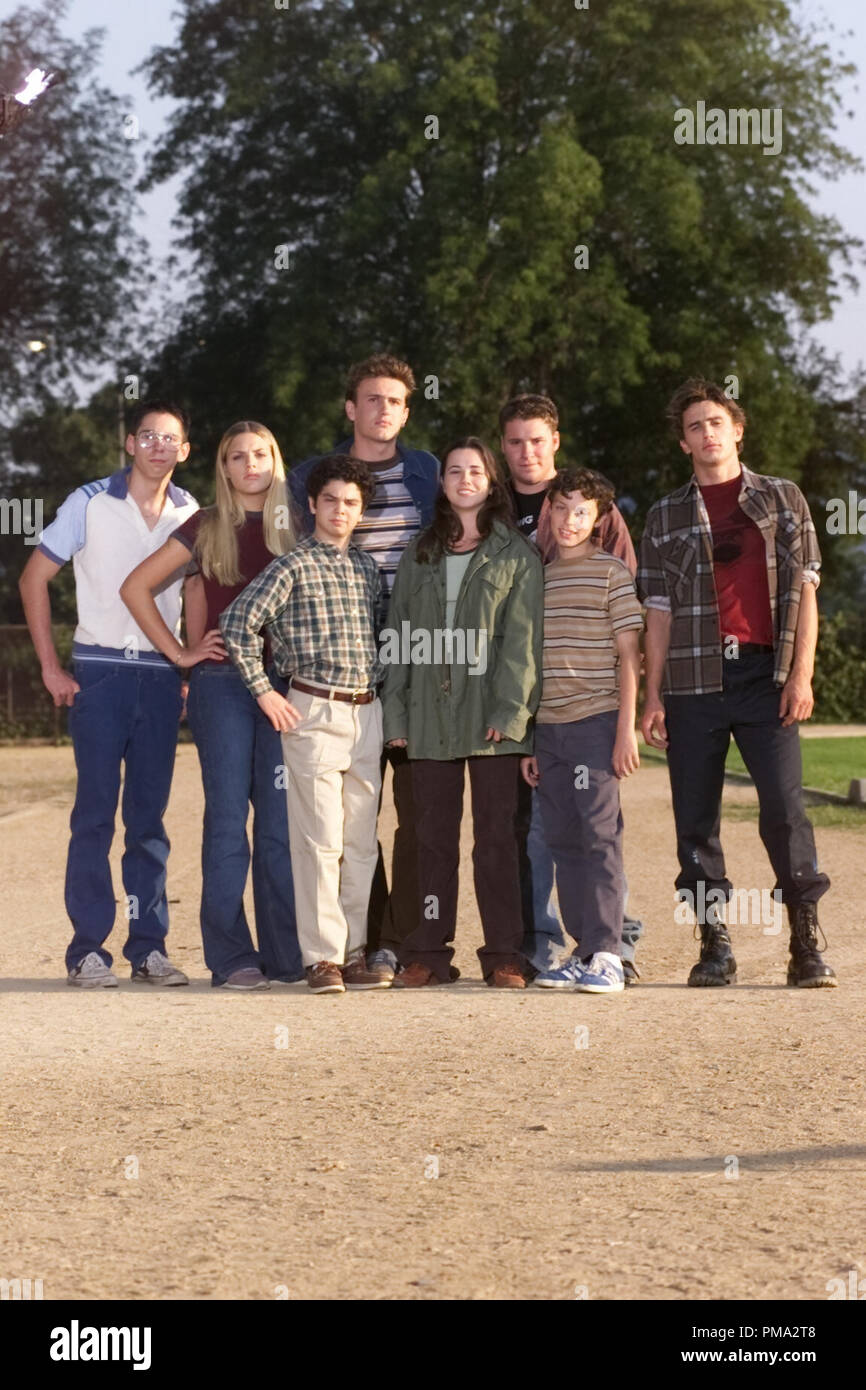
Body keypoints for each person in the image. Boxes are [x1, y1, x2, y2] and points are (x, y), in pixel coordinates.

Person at [637, 377, 834, 988]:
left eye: (716, 422)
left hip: (763, 674)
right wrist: (653, 695)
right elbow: (659, 612)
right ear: (683, 442)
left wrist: (800, 675)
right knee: (695, 818)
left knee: (784, 810)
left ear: (737, 430)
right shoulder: (665, 514)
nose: (706, 433)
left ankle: (804, 941)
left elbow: (806, 589)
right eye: (694, 426)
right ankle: (713, 942)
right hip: (693, 681)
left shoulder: (783, 499)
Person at [18, 400, 199, 988]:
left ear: (185, 450)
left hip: (160, 676)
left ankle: (148, 948)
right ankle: (87, 951)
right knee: (94, 817)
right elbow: (33, 577)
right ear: (129, 443)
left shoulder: (191, 512)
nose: (157, 446)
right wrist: (50, 668)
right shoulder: (89, 501)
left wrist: (189, 672)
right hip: (99, 674)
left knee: (147, 822)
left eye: (169, 439)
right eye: (147, 436)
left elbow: (194, 596)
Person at [120, 421, 303, 990]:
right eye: (237, 457)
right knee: (227, 821)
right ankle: (231, 957)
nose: (251, 465)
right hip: (221, 684)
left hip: (288, 687)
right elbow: (135, 587)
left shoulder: (299, 525)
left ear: (276, 460)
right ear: (223, 468)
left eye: (261, 454)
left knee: (279, 824)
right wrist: (182, 653)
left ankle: (287, 954)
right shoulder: (204, 526)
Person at [288, 355, 440, 982]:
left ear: (407, 410)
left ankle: (393, 945)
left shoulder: (428, 472)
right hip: (333, 672)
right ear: (351, 408)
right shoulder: (310, 478)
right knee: (336, 822)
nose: (384, 411)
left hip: (410, 665)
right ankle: (345, 944)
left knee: (408, 810)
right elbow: (285, 569)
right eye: (372, 400)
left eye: (397, 401)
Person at [219, 455, 388, 995]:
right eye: (332, 500)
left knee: (361, 840)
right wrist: (265, 691)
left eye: (352, 503)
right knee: (319, 841)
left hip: (368, 710)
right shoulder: (291, 565)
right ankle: (321, 959)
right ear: (312, 505)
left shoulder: (367, 569)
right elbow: (237, 623)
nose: (341, 510)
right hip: (313, 709)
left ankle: (355, 950)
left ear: (362, 512)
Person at [382, 437, 543, 988]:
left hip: (492, 718)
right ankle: (427, 951)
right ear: (443, 483)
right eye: (454, 470)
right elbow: (398, 640)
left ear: (491, 481)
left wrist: (511, 713)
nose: (465, 478)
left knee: (497, 839)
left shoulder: (515, 555)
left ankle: (504, 955)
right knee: (431, 839)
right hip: (427, 718)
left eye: (476, 470)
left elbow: (523, 645)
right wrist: (396, 718)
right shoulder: (418, 555)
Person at [498, 393, 644, 982]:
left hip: (595, 716)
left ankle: (611, 948)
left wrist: (630, 721)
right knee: (555, 836)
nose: (567, 519)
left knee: (598, 833)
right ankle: (576, 949)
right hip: (544, 720)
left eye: (538, 439)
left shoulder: (607, 548)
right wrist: (526, 728)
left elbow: (628, 646)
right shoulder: (523, 549)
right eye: (515, 441)